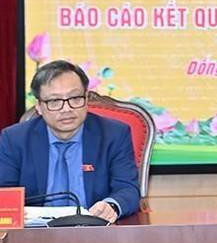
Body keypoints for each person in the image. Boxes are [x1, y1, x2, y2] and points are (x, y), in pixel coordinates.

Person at [0, 60, 140, 222]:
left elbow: (128, 189)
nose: (67, 109)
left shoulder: (114, 134)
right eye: (54, 101)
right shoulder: (14, 139)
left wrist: (112, 206)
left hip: (96, 234)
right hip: (35, 236)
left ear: (86, 99)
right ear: (39, 106)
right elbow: (4, 193)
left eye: (74, 98)